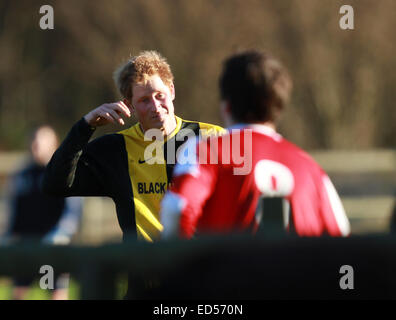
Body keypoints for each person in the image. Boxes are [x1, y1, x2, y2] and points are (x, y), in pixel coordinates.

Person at [42, 50, 224, 297]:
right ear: (128, 105)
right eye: (144, 100)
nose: (156, 107)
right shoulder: (115, 150)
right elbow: (55, 184)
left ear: (171, 90)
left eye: (160, 96)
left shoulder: (214, 139)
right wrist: (84, 127)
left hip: (204, 285)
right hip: (144, 287)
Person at [160, 49, 351, 239]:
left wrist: (186, 265)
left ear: (226, 106)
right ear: (279, 106)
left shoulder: (206, 151)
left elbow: (177, 209)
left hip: (227, 268)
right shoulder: (310, 168)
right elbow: (340, 235)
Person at [2, 125, 82, 300]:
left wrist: (61, 234)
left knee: (55, 292)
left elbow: (72, 212)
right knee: (18, 291)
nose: (35, 145)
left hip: (52, 247)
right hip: (26, 246)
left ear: (54, 144)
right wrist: (9, 235)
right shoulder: (22, 175)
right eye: (33, 140)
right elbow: (15, 211)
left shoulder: (61, 173)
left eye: (41, 141)